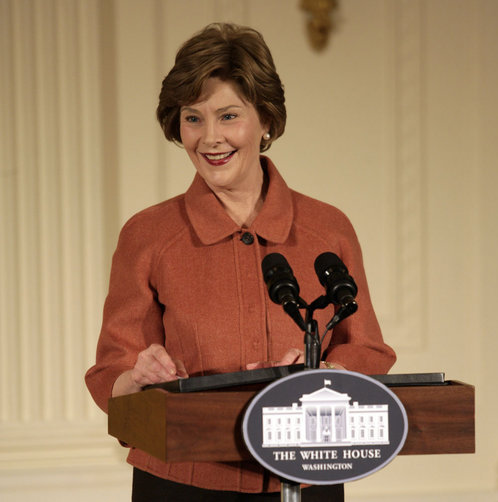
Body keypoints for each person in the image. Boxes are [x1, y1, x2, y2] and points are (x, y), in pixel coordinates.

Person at [85, 22, 396, 501]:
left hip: (305, 475)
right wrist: (138, 376)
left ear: (265, 119)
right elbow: (113, 371)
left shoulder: (327, 228)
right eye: (193, 118)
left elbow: (368, 350)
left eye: (229, 116)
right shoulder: (147, 235)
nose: (210, 138)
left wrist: (322, 375)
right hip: (181, 481)